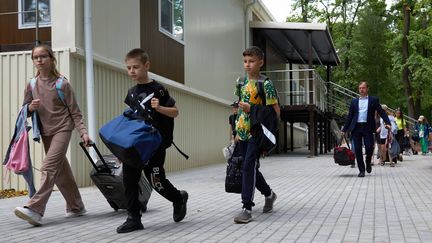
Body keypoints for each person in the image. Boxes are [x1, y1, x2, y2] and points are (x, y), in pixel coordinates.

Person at [14, 44, 92, 226]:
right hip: (45, 132)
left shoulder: (62, 84)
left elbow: (75, 112)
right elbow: (23, 110)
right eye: (36, 57)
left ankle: (35, 209)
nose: (39, 60)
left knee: (49, 167)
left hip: (63, 128)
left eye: (43, 56)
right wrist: (30, 108)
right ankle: (76, 206)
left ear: (51, 59)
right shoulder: (32, 84)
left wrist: (84, 133)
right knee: (61, 172)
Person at [116, 48, 188, 233]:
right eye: (129, 68)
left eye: (136, 67)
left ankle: (178, 198)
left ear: (146, 66)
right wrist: (121, 149)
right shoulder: (131, 93)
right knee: (129, 179)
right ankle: (133, 218)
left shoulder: (158, 90)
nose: (132, 71)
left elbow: (176, 112)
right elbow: (130, 120)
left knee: (156, 180)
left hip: (154, 144)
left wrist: (160, 108)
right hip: (135, 145)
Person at [233, 46, 279, 224]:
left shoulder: (265, 84)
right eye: (245, 61)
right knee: (250, 167)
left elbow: (275, 112)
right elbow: (236, 109)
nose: (247, 65)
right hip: (242, 132)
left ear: (261, 62)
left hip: (256, 133)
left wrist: (252, 109)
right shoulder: (240, 83)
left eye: (251, 61)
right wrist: (234, 132)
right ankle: (269, 194)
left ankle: (246, 208)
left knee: (247, 167)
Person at [341, 81, 390, 177]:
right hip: (356, 128)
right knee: (358, 150)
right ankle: (361, 170)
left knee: (369, 147)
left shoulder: (373, 100)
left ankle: (368, 162)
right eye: (360, 88)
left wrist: (387, 122)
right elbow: (350, 116)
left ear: (367, 89)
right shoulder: (354, 101)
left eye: (363, 88)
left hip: (368, 127)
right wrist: (344, 129)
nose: (361, 90)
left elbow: (381, 112)